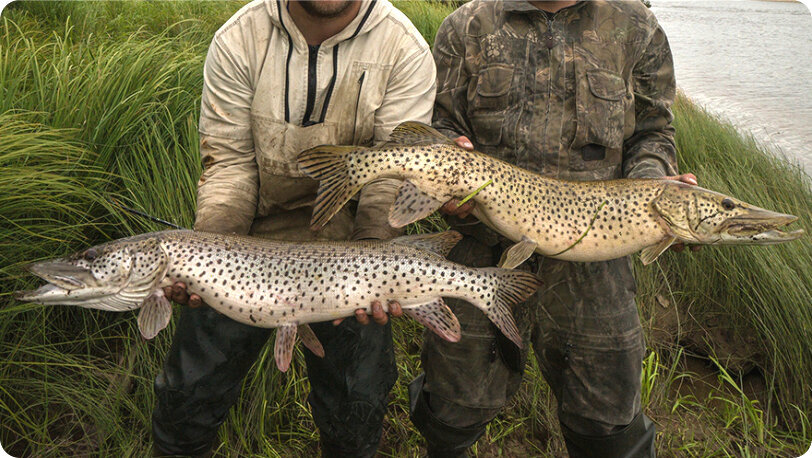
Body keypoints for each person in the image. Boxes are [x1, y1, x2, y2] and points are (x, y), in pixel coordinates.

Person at [408, 1, 697, 457]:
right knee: (451, 408)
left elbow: (653, 132)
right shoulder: (465, 26)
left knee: (608, 423)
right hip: (480, 251)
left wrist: (654, 185)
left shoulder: (636, 26)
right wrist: (448, 162)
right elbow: (441, 121)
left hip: (598, 265)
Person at [151, 1, 435, 456]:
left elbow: (391, 181)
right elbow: (230, 165)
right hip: (246, 243)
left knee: (356, 419)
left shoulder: (405, 49)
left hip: (351, 250)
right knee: (184, 406)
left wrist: (375, 262)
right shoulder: (237, 38)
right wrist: (208, 252)